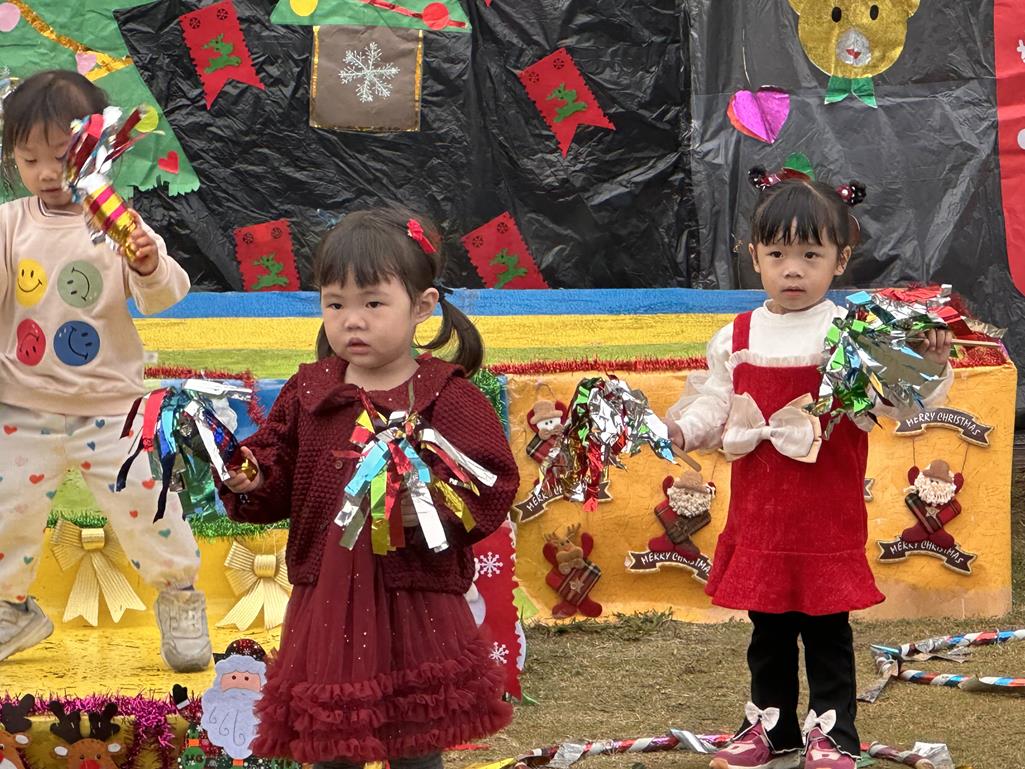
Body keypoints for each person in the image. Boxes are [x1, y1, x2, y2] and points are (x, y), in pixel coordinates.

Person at [665, 175, 953, 769]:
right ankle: (771, 730)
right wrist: (683, 430)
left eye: (811, 255)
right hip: (761, 515)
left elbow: (897, 401)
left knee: (826, 630)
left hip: (825, 512)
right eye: (777, 254)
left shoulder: (850, 334)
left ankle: (833, 733)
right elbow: (716, 401)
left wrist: (927, 362)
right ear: (754, 257)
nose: (792, 269)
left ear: (840, 260)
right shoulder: (736, 335)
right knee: (767, 629)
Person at [220, 207, 519, 769]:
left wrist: (427, 509)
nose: (351, 321)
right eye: (335, 304)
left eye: (373, 303)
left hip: (416, 597)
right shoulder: (310, 392)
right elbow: (276, 463)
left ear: (422, 306)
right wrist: (253, 476)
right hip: (328, 600)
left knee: (415, 742)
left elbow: (490, 477)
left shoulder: (446, 395)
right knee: (333, 741)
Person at [0, 70, 210, 672]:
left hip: (113, 408)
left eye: (61, 156)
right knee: (7, 511)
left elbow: (165, 295)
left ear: (100, 148)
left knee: (150, 507)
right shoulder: (11, 223)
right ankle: (11, 609)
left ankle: (180, 594)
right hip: (23, 404)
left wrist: (146, 263)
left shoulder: (116, 223)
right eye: (29, 159)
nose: (46, 172)